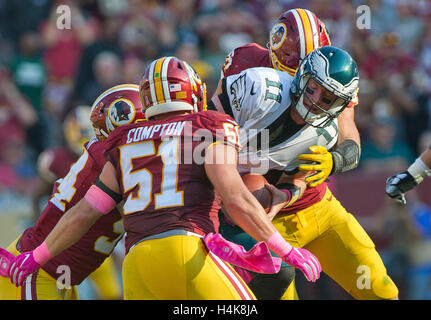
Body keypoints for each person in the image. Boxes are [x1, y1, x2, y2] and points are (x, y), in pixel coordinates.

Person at [2, 56, 322, 300]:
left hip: (136, 263)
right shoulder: (208, 125)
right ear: (192, 91)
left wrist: (36, 256)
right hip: (184, 249)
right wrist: (285, 249)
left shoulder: (124, 140)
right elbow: (236, 198)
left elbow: (87, 210)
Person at [210, 45, 399, 300]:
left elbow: (309, 171)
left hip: (316, 208)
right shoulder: (259, 83)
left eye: (327, 98)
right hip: (261, 219)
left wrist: (291, 191)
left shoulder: (327, 129)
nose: (315, 99)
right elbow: (206, 123)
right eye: (312, 88)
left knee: (378, 289)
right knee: (279, 287)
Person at [216, 8, 359, 300]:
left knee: (374, 284)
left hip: (296, 194)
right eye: (307, 81)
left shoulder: (335, 76)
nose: (312, 94)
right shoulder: (253, 75)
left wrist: (336, 160)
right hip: (239, 188)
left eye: (324, 91)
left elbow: (348, 138)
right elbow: (210, 120)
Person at [0, 84, 145, 300]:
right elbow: (137, 219)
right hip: (36, 270)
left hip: (58, 275)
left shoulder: (110, 154)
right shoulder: (113, 159)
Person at [30, 105, 123, 300]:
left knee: (111, 293)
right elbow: (38, 192)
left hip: (92, 237)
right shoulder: (57, 158)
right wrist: (36, 222)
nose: (83, 134)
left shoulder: (108, 157)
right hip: (61, 236)